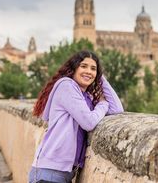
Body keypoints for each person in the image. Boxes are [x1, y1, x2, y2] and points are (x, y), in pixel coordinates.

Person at [28, 50, 124, 183]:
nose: (88, 71)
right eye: (83, 66)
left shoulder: (86, 97)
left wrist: (99, 77)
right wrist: (102, 104)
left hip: (64, 173)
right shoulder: (66, 86)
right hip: (49, 172)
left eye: (93, 69)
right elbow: (89, 122)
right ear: (73, 68)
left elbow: (117, 109)